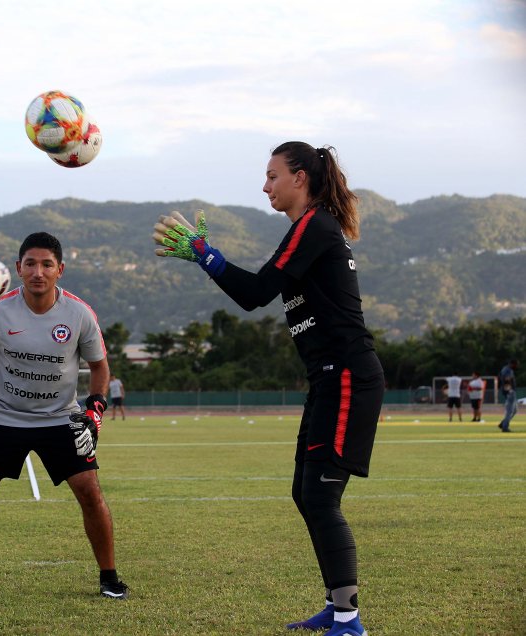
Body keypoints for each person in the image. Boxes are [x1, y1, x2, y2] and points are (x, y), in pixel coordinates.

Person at [154, 142, 383, 636]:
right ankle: (336, 605)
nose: (265, 186)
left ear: (300, 178)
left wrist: (206, 255)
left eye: (272, 175)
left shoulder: (315, 225)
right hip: (327, 378)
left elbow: (256, 294)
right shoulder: (306, 230)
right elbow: (255, 294)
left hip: (346, 375)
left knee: (321, 498)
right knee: (306, 493)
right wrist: (206, 259)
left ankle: (349, 620)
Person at [0, 231, 129, 601]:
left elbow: (100, 368)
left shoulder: (79, 313)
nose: (39, 271)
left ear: (60, 270)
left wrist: (94, 413)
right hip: (4, 416)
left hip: (60, 418)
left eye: (47, 264)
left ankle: (110, 577)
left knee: (90, 491)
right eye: (31, 264)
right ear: (19, 267)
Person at [498, 359, 518, 432]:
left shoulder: (505, 369)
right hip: (510, 392)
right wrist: (509, 390)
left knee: (514, 410)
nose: (516, 366)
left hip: (508, 391)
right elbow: (506, 380)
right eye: (516, 364)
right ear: (512, 364)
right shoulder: (508, 370)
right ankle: (505, 427)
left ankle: (503, 423)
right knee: (509, 411)